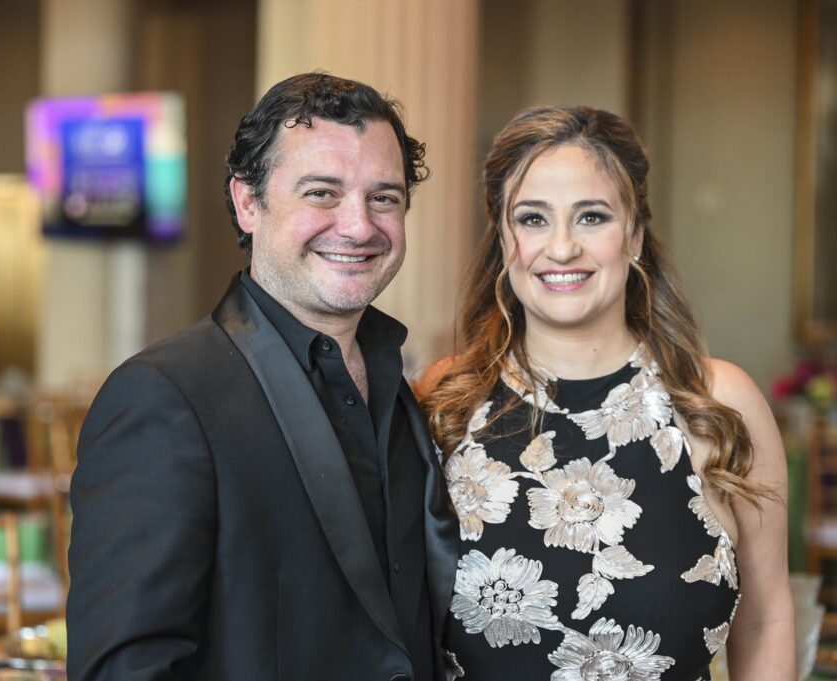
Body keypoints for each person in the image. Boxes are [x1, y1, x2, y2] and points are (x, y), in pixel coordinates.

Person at [66, 72, 459, 681]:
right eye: (322, 193)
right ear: (249, 202)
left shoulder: (399, 388)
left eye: (384, 197)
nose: (359, 226)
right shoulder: (165, 397)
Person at [418, 106, 794, 680]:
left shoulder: (719, 404)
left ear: (636, 235)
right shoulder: (445, 403)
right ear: (502, 239)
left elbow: (766, 622)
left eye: (592, 217)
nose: (562, 248)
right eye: (533, 219)